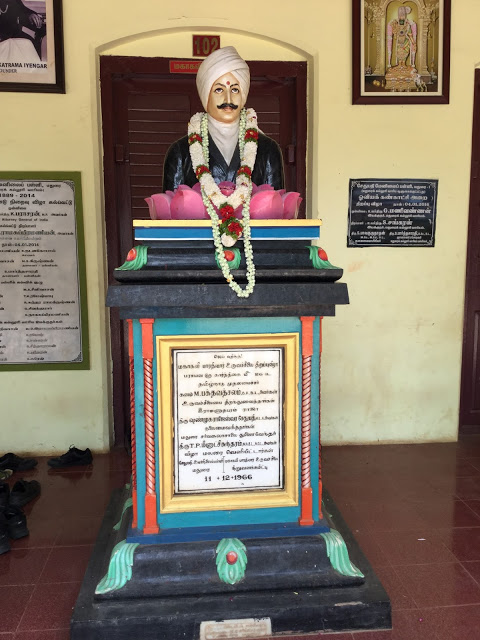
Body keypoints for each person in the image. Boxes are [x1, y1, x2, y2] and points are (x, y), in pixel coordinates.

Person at [163, 46, 285, 192]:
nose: (228, 99)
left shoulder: (267, 149)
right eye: (219, 90)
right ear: (206, 95)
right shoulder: (180, 151)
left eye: (235, 90)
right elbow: (171, 204)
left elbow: (275, 203)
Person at [0, 0, 44, 65]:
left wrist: (30, 15)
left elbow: (23, 10)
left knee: (29, 44)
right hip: (2, 38)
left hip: (14, 33)